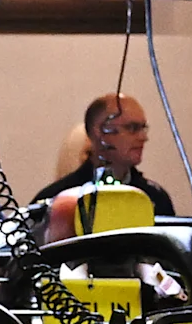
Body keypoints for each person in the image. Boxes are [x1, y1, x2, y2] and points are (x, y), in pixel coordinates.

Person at [34, 94, 179, 237]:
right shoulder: (57, 202)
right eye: (132, 128)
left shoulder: (155, 198)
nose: (143, 137)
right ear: (99, 132)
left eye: (143, 128)